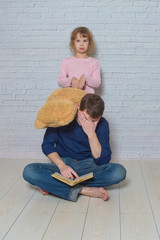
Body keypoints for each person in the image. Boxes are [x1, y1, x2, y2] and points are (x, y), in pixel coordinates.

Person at [23, 94, 126, 202]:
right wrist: (62, 166)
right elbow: (47, 145)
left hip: (89, 165)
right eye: (86, 118)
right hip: (63, 163)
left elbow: (103, 161)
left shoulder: (103, 124)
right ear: (78, 107)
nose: (89, 123)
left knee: (118, 172)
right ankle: (83, 190)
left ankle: (56, 186)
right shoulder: (62, 117)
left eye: (94, 120)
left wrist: (91, 133)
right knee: (29, 171)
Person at [58, 26, 101, 93]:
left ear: (89, 43)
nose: (81, 44)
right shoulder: (66, 61)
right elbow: (60, 81)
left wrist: (86, 78)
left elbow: (97, 83)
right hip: (71, 98)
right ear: (73, 43)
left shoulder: (94, 62)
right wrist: (71, 80)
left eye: (84, 41)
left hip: (88, 99)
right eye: (78, 41)